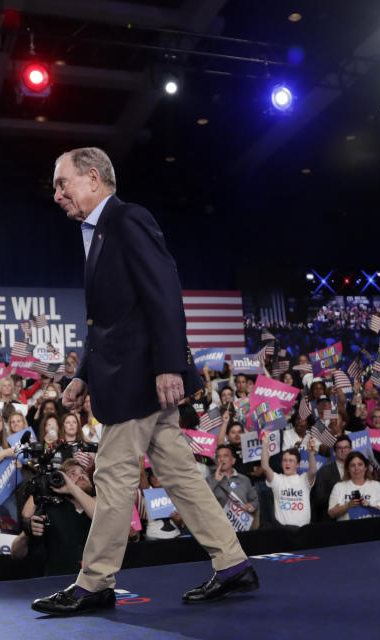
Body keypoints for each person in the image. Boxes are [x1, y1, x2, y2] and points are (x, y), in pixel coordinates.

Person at [32, 148, 254, 616]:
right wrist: (82, 376)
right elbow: (108, 322)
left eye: (62, 183)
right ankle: (232, 562)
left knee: (112, 477)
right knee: (176, 472)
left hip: (139, 380)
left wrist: (170, 365)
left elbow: (164, 291)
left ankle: (94, 583)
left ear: (93, 179)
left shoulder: (127, 219)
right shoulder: (97, 233)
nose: (57, 194)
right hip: (127, 375)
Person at [24, 458, 97, 577]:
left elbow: (99, 515)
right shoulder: (51, 509)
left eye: (83, 473)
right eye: (72, 474)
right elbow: (27, 514)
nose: (80, 476)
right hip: (58, 580)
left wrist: (72, 488)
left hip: (95, 579)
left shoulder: (100, 502)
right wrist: (47, 485)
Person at [262, 441, 317, 528]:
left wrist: (310, 452)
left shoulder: (304, 479)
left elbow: (313, 471)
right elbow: (265, 468)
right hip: (282, 530)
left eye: (291, 460)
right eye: (285, 460)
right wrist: (265, 445)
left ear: (298, 464)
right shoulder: (277, 479)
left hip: (303, 529)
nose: (287, 463)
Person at [327, 451, 380, 520]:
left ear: (365, 467)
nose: (357, 468)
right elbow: (331, 513)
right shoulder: (339, 486)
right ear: (348, 469)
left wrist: (369, 506)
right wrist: (348, 506)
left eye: (360, 464)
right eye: (353, 465)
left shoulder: (376, 485)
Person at [206, 445, 258, 521]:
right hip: (218, 523)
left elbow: (255, 500)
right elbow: (203, 499)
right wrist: (215, 480)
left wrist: (252, 506)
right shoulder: (209, 479)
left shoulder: (244, 480)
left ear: (233, 461)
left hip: (241, 523)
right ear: (216, 461)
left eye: (225, 456)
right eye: (218, 457)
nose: (222, 459)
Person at [310, 434, 352, 521]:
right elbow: (318, 498)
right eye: (339, 448)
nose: (343, 450)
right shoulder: (324, 471)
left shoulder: (358, 470)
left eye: (346, 447)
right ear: (334, 451)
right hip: (331, 521)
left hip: (354, 517)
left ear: (351, 449)